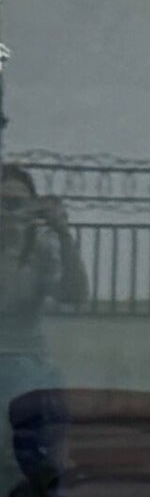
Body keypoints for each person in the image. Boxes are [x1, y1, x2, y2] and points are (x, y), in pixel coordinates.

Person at [0, 166, 87, 443]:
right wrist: (11, 245)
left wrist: (64, 236)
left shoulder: (39, 248)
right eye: (4, 203)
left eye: (18, 204)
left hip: (28, 361)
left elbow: (74, 295)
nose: (10, 212)